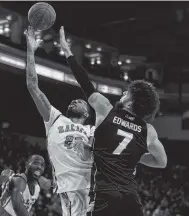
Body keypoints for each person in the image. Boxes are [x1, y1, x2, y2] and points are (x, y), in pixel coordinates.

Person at [59, 26, 167, 216]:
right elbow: (162, 162)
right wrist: (135, 157)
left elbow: (84, 82)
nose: (124, 93)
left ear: (131, 101)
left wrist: (68, 53)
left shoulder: (105, 109)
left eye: (127, 93)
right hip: (130, 202)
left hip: (104, 199)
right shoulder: (148, 131)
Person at [25, 26, 95, 216]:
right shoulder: (55, 118)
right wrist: (31, 50)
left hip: (89, 186)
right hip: (67, 189)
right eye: (74, 100)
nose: (74, 100)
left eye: (80, 101)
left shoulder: (92, 130)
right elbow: (32, 85)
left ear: (87, 114)